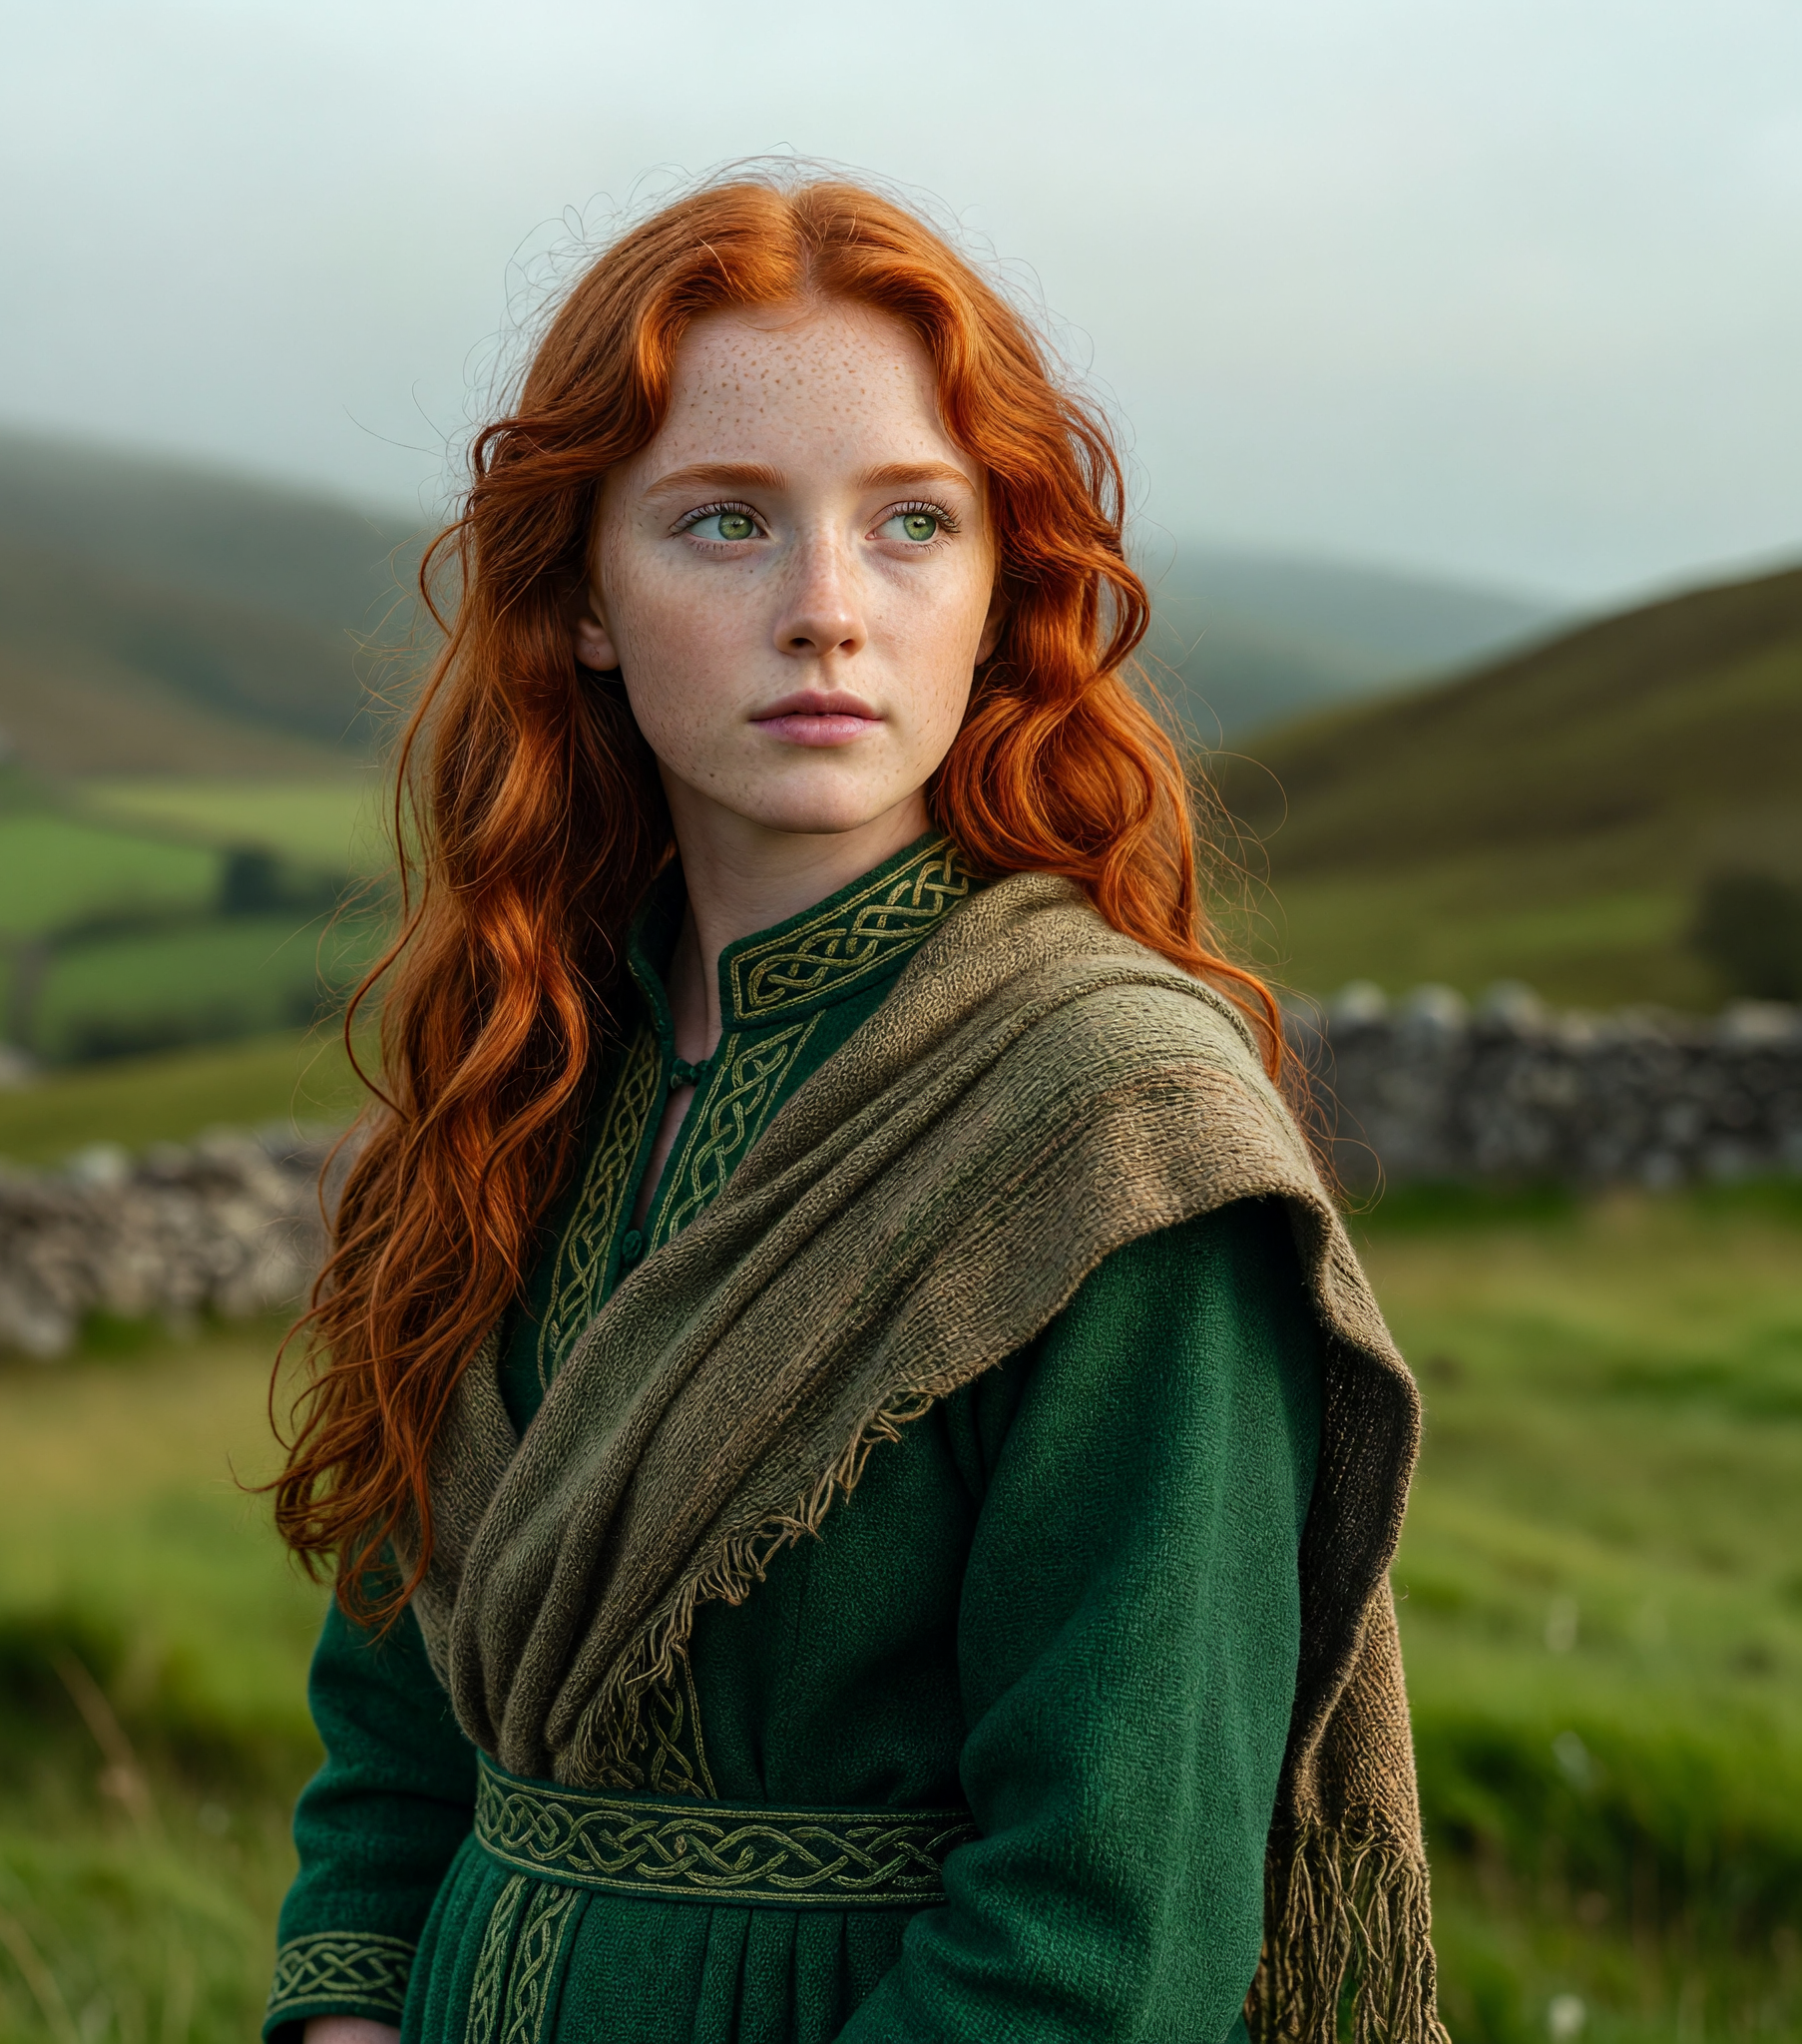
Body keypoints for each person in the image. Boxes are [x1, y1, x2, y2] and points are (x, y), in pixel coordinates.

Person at [263, 172, 1445, 2044]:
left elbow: (1107, 1941)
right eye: (724, 523)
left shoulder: (1112, 1132)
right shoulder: (525, 1084)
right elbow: (407, 1723)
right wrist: (344, 2011)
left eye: (911, 524)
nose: (827, 610)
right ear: (580, 593)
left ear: (999, 592)